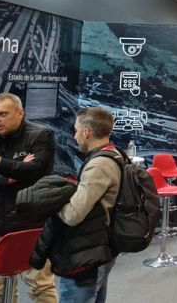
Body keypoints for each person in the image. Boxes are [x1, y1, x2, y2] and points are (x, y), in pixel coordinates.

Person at [0, 93, 58, 303]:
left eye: (2, 114)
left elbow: (36, 171)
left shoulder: (41, 135)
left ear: (20, 113)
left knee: (41, 288)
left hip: (30, 227)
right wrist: (11, 176)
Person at [53, 107, 123, 301]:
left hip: (90, 248)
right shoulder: (116, 154)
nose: (74, 136)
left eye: (76, 130)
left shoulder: (99, 165)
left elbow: (73, 215)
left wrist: (52, 203)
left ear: (86, 132)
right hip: (102, 244)